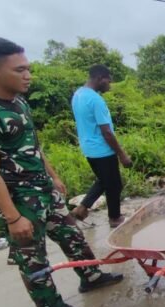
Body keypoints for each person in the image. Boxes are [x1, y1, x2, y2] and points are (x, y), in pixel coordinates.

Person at [0, 37, 123, 307]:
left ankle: (91, 276)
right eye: (19, 70)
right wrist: (12, 217)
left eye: (28, 69)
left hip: (44, 189)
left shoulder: (20, 102)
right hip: (19, 200)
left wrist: (54, 177)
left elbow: (33, 145)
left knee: (72, 235)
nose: (28, 75)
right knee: (33, 257)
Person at [70, 65, 132, 228]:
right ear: (99, 79)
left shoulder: (78, 94)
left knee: (104, 180)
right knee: (114, 184)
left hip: (88, 148)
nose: (110, 84)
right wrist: (122, 154)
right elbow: (107, 132)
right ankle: (115, 218)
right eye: (108, 80)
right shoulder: (96, 100)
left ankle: (82, 208)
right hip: (102, 149)